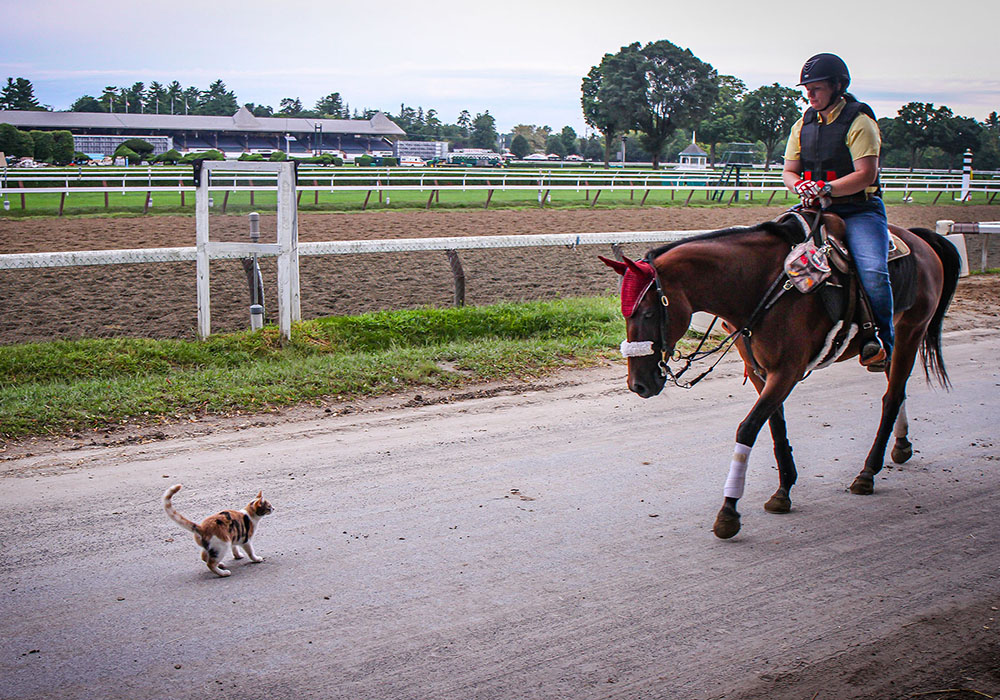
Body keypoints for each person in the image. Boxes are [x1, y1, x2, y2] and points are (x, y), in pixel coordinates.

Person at [782, 53, 893, 372]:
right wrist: (800, 186)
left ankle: (882, 341)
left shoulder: (860, 123)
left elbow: (866, 175)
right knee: (771, 251)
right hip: (812, 209)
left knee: (873, 271)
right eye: (807, 88)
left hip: (858, 211)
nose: (810, 94)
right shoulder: (802, 125)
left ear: (837, 86)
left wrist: (826, 189)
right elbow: (789, 171)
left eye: (816, 87)